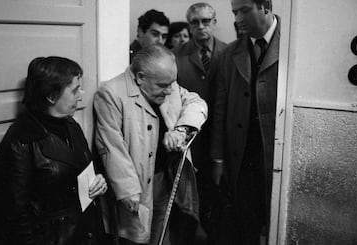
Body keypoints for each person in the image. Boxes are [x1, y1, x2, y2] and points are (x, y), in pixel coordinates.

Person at [0, 56, 108, 245]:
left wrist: (98, 180)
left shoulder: (71, 124)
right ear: (51, 96)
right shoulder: (21, 140)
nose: (81, 96)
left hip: (86, 233)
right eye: (75, 90)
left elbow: (81, 169)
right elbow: (15, 215)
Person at [94, 44, 208, 245]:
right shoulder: (111, 93)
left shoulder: (166, 83)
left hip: (164, 177)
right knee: (135, 238)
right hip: (135, 185)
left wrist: (181, 130)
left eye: (173, 83)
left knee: (161, 234)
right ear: (140, 78)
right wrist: (128, 190)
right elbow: (111, 145)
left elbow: (197, 102)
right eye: (164, 85)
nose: (170, 90)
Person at [210, 0, 280, 244]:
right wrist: (217, 159)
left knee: (278, 225)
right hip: (242, 160)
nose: (238, 19)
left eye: (244, 10)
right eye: (234, 12)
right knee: (244, 227)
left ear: (265, 6)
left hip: (279, 157)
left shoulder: (294, 43)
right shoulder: (229, 54)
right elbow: (219, 110)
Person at [172, 3, 227, 243]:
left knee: (218, 198)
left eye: (206, 21)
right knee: (187, 197)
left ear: (214, 22)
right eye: (195, 22)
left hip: (222, 138)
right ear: (189, 25)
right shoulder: (176, 56)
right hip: (190, 139)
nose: (201, 26)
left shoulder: (229, 53)